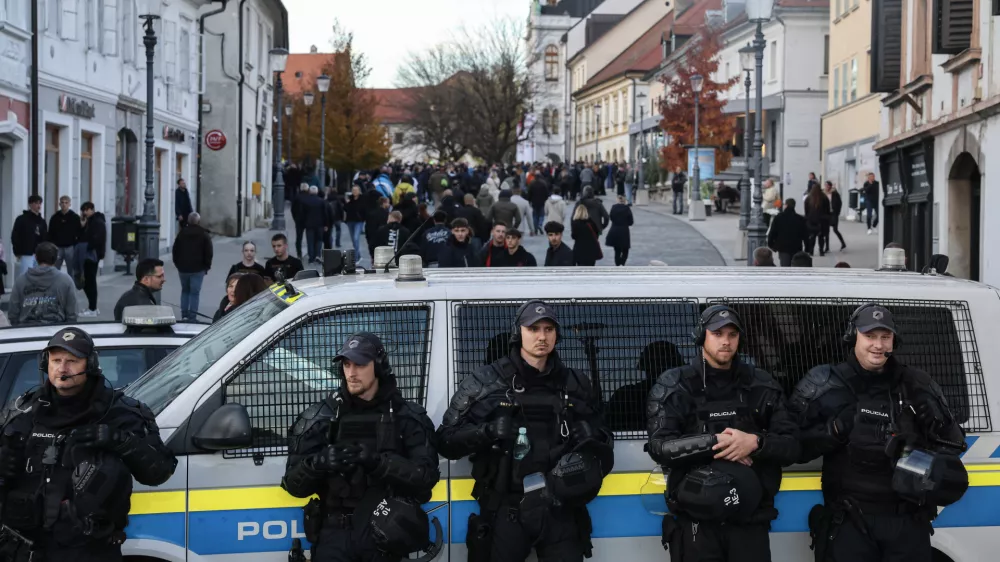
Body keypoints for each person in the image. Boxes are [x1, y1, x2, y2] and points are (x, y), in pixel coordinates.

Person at [436, 300, 614, 562]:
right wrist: (486, 432)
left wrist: (591, 437)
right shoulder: (485, 382)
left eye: (548, 329)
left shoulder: (576, 383)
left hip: (561, 509)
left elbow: (606, 441)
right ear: (518, 332)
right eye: (533, 329)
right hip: (506, 508)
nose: (542, 337)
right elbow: (445, 440)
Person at [788, 304, 968, 562]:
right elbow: (790, 446)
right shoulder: (824, 383)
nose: (878, 345)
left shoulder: (917, 384)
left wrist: (933, 430)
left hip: (907, 523)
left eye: (885, 336)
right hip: (850, 523)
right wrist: (834, 431)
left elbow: (955, 445)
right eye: (870, 336)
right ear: (854, 336)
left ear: (894, 340)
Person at [0, 327, 177, 561]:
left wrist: (121, 441)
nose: (62, 368)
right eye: (56, 360)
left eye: (72, 361)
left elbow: (160, 471)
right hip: (21, 550)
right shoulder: (23, 411)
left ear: (91, 364)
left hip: (89, 551)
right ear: (45, 363)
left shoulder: (120, 412)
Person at [646, 305, 800, 562]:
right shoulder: (675, 385)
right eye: (717, 334)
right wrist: (717, 442)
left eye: (732, 334)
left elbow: (793, 445)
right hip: (696, 525)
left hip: (750, 524)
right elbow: (660, 447)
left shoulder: (761, 384)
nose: (726, 341)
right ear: (701, 336)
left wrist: (755, 442)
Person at [282, 332, 440, 562]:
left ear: (379, 366)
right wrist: (318, 464)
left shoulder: (407, 417)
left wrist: (379, 464)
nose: (351, 373)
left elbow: (426, 478)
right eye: (347, 364)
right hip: (333, 536)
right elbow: (293, 485)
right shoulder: (321, 418)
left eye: (360, 364)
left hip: (384, 535)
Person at [606, 340, 684, 432]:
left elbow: (606, 427)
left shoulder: (624, 395)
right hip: (682, 440)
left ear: (645, 366)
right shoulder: (686, 394)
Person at [8, 242, 77, 326]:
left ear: (36, 258)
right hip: (57, 331)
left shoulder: (20, 281)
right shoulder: (66, 281)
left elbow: (13, 313)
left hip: (26, 330)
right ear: (56, 259)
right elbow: (72, 314)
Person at [171, 212, 213, 322]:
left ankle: (184, 315)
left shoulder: (181, 233)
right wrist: (207, 266)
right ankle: (192, 317)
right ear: (198, 221)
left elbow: (175, 250)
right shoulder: (204, 234)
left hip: (183, 269)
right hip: (198, 269)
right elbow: (209, 252)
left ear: (188, 221)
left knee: (185, 291)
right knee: (195, 293)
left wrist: (178, 264)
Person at [78, 203, 106, 318]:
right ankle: (92, 307)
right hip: (90, 254)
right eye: (83, 210)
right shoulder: (89, 221)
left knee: (90, 281)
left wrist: (87, 246)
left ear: (92, 210)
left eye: (87, 210)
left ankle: (92, 308)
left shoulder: (97, 222)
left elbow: (97, 239)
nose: (85, 212)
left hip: (92, 255)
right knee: (87, 281)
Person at [12, 194, 47, 279]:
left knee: (38, 276)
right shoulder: (21, 219)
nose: (38, 205)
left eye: (40, 203)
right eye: (36, 203)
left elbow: (45, 237)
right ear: (30, 204)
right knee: (25, 275)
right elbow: (15, 236)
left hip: (39, 254)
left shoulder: (42, 221)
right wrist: (17, 251)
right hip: (26, 252)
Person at [48, 195, 81, 281]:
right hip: (57, 247)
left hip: (70, 247)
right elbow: (50, 232)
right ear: (59, 204)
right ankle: (54, 285)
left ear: (70, 204)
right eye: (62, 202)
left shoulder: (75, 217)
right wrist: (52, 245)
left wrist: (75, 244)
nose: (64, 204)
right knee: (55, 269)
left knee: (71, 270)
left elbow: (79, 232)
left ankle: (71, 286)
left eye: (66, 203)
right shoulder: (55, 217)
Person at [767, 198, 809, 267]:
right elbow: (805, 235)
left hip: (783, 247)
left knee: (785, 267)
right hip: (796, 246)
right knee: (796, 266)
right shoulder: (800, 219)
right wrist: (807, 248)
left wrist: (771, 245)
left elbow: (772, 232)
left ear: (786, 205)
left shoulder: (779, 217)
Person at [302, 186, 329, 264]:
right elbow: (325, 214)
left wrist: (303, 223)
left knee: (310, 241)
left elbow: (303, 214)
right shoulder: (322, 201)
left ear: (310, 192)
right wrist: (326, 224)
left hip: (309, 224)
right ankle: (317, 255)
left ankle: (311, 257)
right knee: (319, 240)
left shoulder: (306, 201)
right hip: (320, 224)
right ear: (317, 192)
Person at [605, 195, 633, 266]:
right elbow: (631, 222)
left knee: (617, 250)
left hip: (615, 230)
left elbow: (611, 217)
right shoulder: (627, 208)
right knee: (625, 249)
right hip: (624, 231)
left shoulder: (613, 207)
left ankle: (617, 264)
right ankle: (622, 263)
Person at [366, 197, 392, 262]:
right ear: (384, 203)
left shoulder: (371, 213)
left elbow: (367, 228)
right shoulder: (387, 214)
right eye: (388, 203)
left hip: (372, 239)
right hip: (383, 240)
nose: (389, 205)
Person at [343, 184, 367, 258]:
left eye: (356, 190)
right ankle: (358, 255)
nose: (354, 192)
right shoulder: (350, 199)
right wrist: (347, 203)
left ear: (359, 191)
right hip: (350, 221)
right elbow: (345, 209)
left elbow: (364, 210)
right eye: (353, 190)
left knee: (356, 238)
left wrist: (363, 218)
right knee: (353, 240)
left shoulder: (363, 199)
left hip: (359, 221)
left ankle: (356, 258)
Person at [824, 181, 847, 252]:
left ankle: (843, 243)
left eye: (827, 185)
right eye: (825, 185)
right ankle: (827, 247)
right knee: (826, 231)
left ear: (830, 186)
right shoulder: (823, 193)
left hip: (834, 214)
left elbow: (840, 203)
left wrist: (837, 212)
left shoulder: (835, 193)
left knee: (835, 230)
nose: (826, 187)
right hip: (826, 214)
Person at [291, 183, 310, 258]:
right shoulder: (309, 197)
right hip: (308, 220)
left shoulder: (297, 197)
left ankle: (299, 254)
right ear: (307, 189)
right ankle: (310, 253)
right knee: (310, 238)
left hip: (298, 220)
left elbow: (292, 209)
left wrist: (295, 218)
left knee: (299, 238)